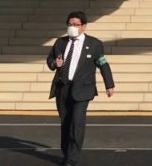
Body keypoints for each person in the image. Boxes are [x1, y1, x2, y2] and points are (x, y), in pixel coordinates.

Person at [46, 11, 115, 166]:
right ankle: (66, 153)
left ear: (84, 27)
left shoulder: (95, 44)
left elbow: (103, 64)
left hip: (83, 89)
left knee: (77, 122)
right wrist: (54, 64)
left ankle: (72, 158)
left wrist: (109, 84)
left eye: (76, 25)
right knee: (65, 122)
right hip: (63, 88)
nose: (73, 27)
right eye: (70, 25)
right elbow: (50, 59)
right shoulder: (60, 42)